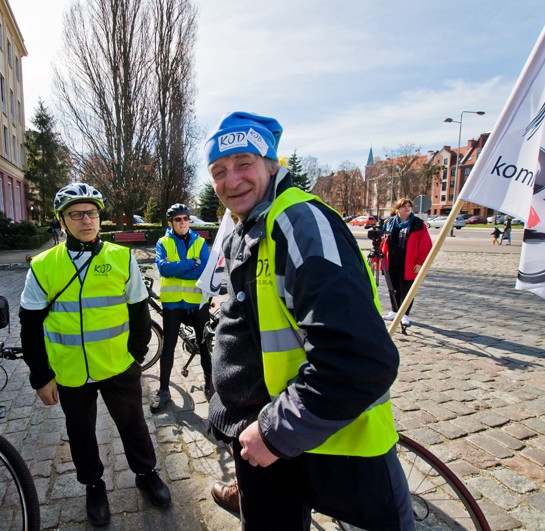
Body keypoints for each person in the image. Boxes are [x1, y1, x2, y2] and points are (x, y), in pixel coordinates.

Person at [204, 112, 413, 530]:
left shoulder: (298, 222)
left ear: (272, 165)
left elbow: (358, 361)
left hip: (327, 443)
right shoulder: (245, 228)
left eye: (244, 163)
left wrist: (274, 432)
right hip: (264, 446)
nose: (231, 180)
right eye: (219, 171)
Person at [19, 183, 171, 526]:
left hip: (119, 365)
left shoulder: (121, 258)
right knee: (81, 432)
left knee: (133, 425)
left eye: (91, 213)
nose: (86, 220)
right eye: (76, 214)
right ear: (62, 220)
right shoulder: (43, 266)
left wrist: (136, 354)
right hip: (70, 370)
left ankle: (146, 474)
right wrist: (41, 376)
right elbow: (29, 325)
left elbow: (139, 311)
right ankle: (93, 485)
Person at [150, 203, 212, 413]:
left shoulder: (200, 242)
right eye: (178, 219)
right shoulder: (163, 242)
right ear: (171, 223)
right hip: (173, 303)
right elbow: (164, 269)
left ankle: (209, 384)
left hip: (196, 303)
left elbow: (201, 271)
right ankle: (164, 390)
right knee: (168, 347)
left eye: (186, 218)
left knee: (204, 345)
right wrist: (189, 263)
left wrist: (179, 267)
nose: (183, 222)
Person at [380, 198, 433, 327]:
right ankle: (394, 310)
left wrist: (420, 263)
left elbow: (425, 245)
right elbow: (383, 242)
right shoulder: (389, 223)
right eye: (404, 206)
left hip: (410, 262)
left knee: (407, 289)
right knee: (393, 288)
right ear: (397, 209)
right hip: (392, 261)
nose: (407, 208)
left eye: (409, 206)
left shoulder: (417, 224)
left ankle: (405, 314)